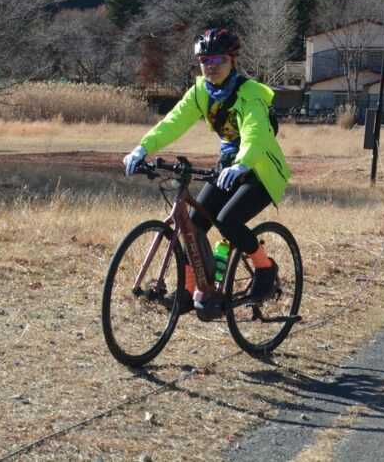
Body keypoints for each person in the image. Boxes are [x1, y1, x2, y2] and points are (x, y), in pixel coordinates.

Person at [121, 28, 292, 320]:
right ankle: (190, 292)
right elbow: (174, 121)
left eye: (218, 60)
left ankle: (265, 268)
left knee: (228, 220)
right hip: (227, 168)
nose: (210, 66)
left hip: (260, 170)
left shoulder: (249, 92)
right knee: (194, 225)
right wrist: (142, 147)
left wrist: (243, 163)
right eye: (204, 60)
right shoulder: (201, 91)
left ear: (232, 61)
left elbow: (255, 132)